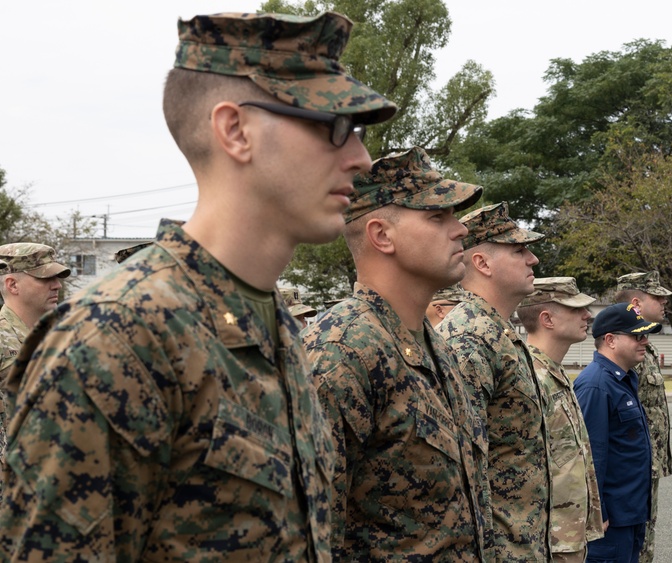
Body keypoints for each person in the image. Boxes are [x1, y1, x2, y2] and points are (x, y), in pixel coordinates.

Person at [0, 11, 395, 561]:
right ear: (234, 130)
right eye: (333, 126)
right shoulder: (117, 334)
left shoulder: (270, 320)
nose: (360, 158)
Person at [302, 147, 489, 559]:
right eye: (438, 217)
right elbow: (314, 536)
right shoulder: (341, 352)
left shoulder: (432, 344)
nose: (460, 229)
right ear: (381, 235)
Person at [437, 201, 552, 561]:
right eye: (519, 250)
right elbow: (460, 472)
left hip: (523, 543)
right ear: (482, 264)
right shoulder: (470, 339)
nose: (533, 259)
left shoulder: (497, 332)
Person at [516, 277, 604, 562]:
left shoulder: (554, 373)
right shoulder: (528, 378)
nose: (587, 315)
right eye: (576, 309)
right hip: (546, 543)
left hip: (567, 538)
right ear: (547, 319)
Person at [574, 303, 660, 563]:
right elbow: (590, 457)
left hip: (630, 514)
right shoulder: (596, 385)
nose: (645, 341)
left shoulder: (622, 378)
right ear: (610, 340)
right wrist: (597, 513)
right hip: (611, 522)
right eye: (637, 336)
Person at [614, 271, 672, 563]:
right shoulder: (624, 350)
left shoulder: (644, 346)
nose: (664, 301)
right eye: (657, 296)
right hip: (632, 466)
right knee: (633, 544)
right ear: (636, 303)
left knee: (644, 541)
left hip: (646, 465)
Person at [0, 243, 71, 474]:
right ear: (13, 285)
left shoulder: (61, 335)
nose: (57, 285)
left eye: (58, 278)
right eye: (44, 278)